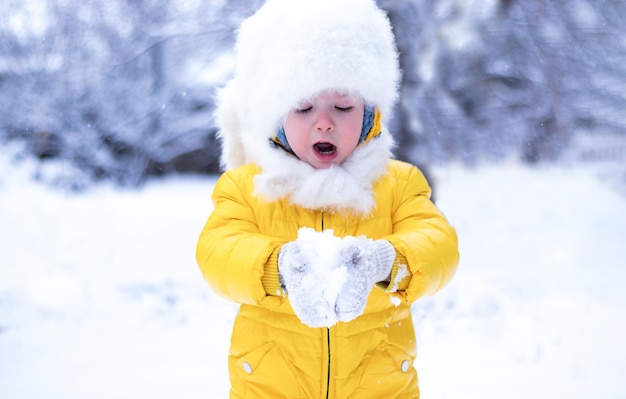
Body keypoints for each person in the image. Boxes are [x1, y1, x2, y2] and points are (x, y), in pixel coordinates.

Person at [195, 0, 459, 397]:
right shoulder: (247, 188)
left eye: (342, 106)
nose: (324, 121)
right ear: (276, 120)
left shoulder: (399, 184)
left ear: (371, 114)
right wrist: (277, 267)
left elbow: (439, 247)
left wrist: (384, 262)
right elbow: (217, 252)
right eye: (303, 107)